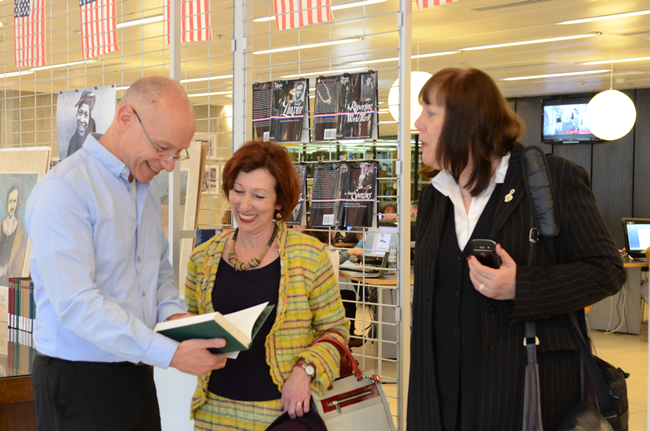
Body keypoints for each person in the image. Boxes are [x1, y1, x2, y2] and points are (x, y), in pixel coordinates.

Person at [407, 68, 626, 431]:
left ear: (469, 123)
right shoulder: (434, 197)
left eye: (430, 112)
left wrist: (520, 286)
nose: (417, 123)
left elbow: (607, 269)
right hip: (440, 402)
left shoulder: (554, 179)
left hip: (523, 395)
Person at [26, 76, 228, 431]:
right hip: (78, 384)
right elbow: (76, 305)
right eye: (162, 147)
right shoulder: (64, 191)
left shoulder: (145, 189)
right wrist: (169, 352)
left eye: (176, 154)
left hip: (135, 376)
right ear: (125, 118)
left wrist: (173, 318)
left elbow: (158, 273)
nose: (168, 165)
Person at [184, 140, 349, 430]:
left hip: (283, 414)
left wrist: (306, 369)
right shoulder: (203, 258)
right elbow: (190, 323)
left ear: (279, 202)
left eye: (258, 196)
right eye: (238, 191)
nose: (244, 205)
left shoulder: (309, 256)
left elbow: (335, 331)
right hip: (213, 414)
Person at [0, 185, 25, 287]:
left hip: (8, 278)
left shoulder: (20, 229)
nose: (12, 205)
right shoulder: (1, 224)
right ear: (7, 204)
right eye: (10, 201)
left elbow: (19, 261)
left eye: (14, 201)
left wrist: (5, 269)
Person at [67, 90, 97, 158]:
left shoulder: (93, 141)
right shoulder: (73, 142)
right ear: (76, 115)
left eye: (86, 115)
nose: (82, 120)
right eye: (80, 113)